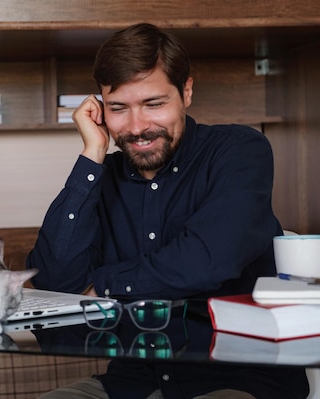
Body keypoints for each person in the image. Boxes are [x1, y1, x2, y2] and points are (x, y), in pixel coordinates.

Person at [26, 23, 309, 398]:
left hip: (237, 382)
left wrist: (104, 285)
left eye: (154, 104)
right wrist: (91, 154)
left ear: (186, 92)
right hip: (133, 383)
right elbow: (54, 285)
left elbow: (208, 260)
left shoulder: (238, 150)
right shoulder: (102, 178)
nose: (138, 126)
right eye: (118, 108)